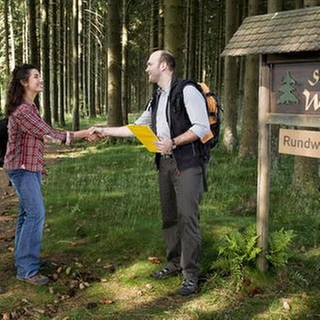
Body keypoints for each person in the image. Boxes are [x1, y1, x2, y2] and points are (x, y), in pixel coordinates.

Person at [90, 50, 210, 296]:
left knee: (188, 218)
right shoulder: (156, 98)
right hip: (165, 164)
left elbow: (201, 127)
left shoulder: (187, 90)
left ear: (164, 65)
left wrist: (174, 142)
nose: (146, 68)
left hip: (188, 164)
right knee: (169, 217)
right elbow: (136, 127)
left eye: (149, 64)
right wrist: (105, 130)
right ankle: (174, 263)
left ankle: (190, 276)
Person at [3, 64, 91, 286]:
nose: (40, 79)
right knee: (36, 214)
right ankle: (28, 270)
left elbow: (44, 136)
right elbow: (51, 135)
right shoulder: (23, 111)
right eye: (36, 76)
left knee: (27, 215)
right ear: (24, 82)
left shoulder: (30, 108)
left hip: (29, 167)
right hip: (22, 169)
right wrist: (85, 133)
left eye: (40, 75)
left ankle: (23, 264)